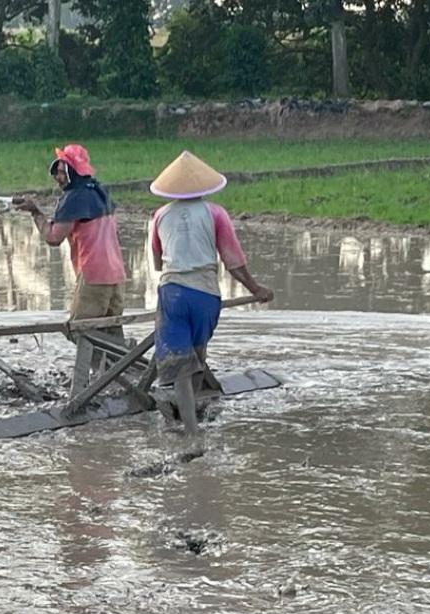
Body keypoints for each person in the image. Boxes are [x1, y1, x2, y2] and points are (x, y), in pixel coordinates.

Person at [148, 150, 273, 435]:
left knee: (180, 365)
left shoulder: (159, 216)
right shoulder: (215, 213)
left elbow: (157, 264)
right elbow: (234, 263)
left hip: (173, 293)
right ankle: (192, 418)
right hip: (204, 294)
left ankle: (189, 430)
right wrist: (257, 290)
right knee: (197, 357)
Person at [14, 144, 127, 328]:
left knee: (80, 330)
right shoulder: (99, 191)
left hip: (93, 275)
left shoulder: (74, 198)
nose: (58, 178)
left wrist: (35, 212)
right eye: (56, 173)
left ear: (73, 173)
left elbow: (53, 238)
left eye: (62, 172)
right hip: (117, 275)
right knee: (110, 333)